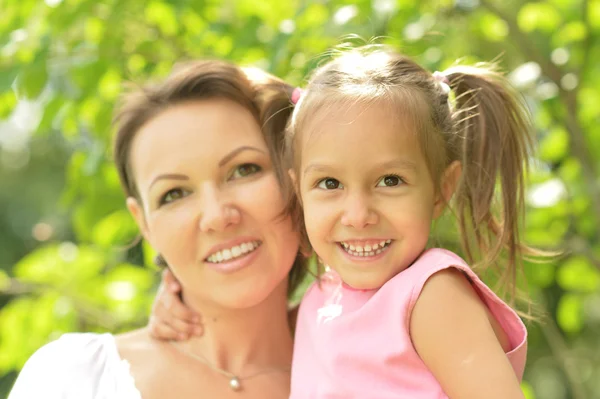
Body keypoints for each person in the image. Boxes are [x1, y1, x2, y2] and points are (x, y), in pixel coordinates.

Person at [153, 46, 542, 398]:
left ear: (442, 189)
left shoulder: (431, 296)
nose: (358, 216)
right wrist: (181, 300)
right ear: (299, 191)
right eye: (329, 183)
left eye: (390, 181)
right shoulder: (323, 298)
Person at [8, 60, 308, 399]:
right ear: (144, 224)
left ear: (300, 177)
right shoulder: (75, 377)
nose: (217, 216)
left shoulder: (360, 370)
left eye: (244, 170)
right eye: (174, 194)